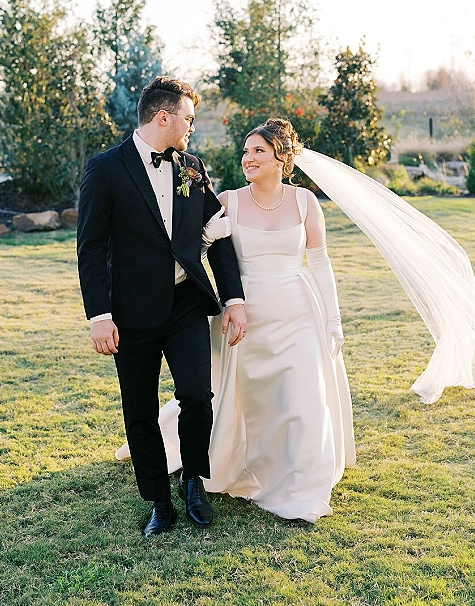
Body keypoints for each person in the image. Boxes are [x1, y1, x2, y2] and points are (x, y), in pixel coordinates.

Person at [116, 118, 357, 523]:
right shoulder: (228, 200)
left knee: (300, 399)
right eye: (245, 151)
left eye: (258, 151)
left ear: (282, 158)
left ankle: (300, 484)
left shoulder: (305, 203)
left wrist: (333, 319)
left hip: (297, 311)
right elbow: (195, 246)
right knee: (240, 398)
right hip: (241, 315)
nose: (248, 157)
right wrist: (208, 244)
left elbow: (320, 262)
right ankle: (219, 466)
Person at [77, 76, 247, 537]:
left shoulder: (192, 167)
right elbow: (91, 247)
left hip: (185, 304)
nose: (192, 127)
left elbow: (220, 234)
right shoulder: (106, 168)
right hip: (129, 313)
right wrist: (99, 315)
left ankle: (194, 479)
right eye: (188, 118)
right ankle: (158, 499)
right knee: (139, 409)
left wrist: (234, 298)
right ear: (164, 116)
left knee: (196, 394)